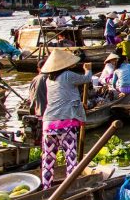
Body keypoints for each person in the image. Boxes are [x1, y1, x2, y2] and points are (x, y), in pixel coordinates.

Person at [39, 50, 92, 189]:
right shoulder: (67, 75)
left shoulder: (49, 80)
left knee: (48, 159)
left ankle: (46, 187)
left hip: (48, 124)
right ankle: (71, 186)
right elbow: (87, 79)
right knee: (71, 157)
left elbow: (63, 96)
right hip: (65, 123)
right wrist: (88, 69)